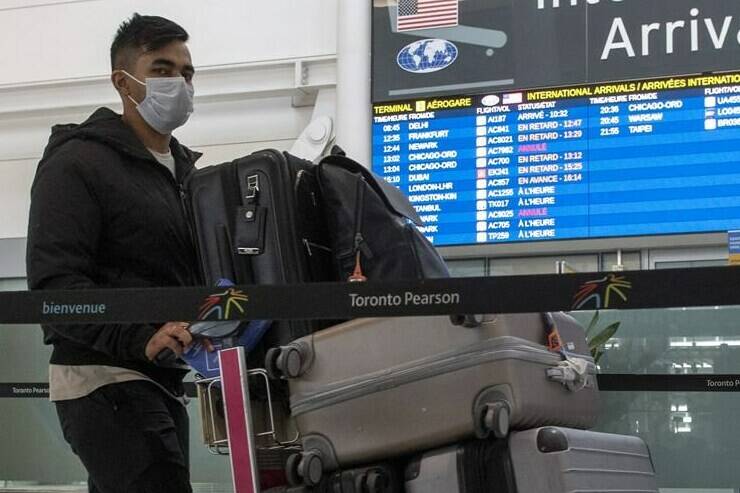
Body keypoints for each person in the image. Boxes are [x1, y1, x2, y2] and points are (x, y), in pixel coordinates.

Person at [26, 13, 207, 493]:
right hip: (102, 376)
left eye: (186, 73)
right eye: (162, 69)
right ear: (123, 82)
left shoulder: (186, 174)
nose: (179, 83)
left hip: (163, 374)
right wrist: (137, 336)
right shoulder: (77, 162)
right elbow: (55, 285)